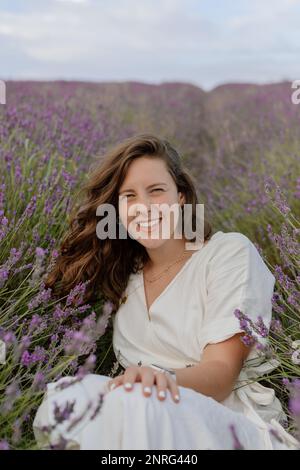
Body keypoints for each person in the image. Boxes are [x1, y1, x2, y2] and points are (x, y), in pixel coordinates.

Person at [33, 134, 299, 450]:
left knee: (144, 401)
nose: (143, 207)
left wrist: (161, 377)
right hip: (140, 417)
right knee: (71, 394)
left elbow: (222, 372)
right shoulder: (126, 277)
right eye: (128, 196)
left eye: (156, 191)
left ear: (181, 197)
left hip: (228, 425)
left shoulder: (226, 254)